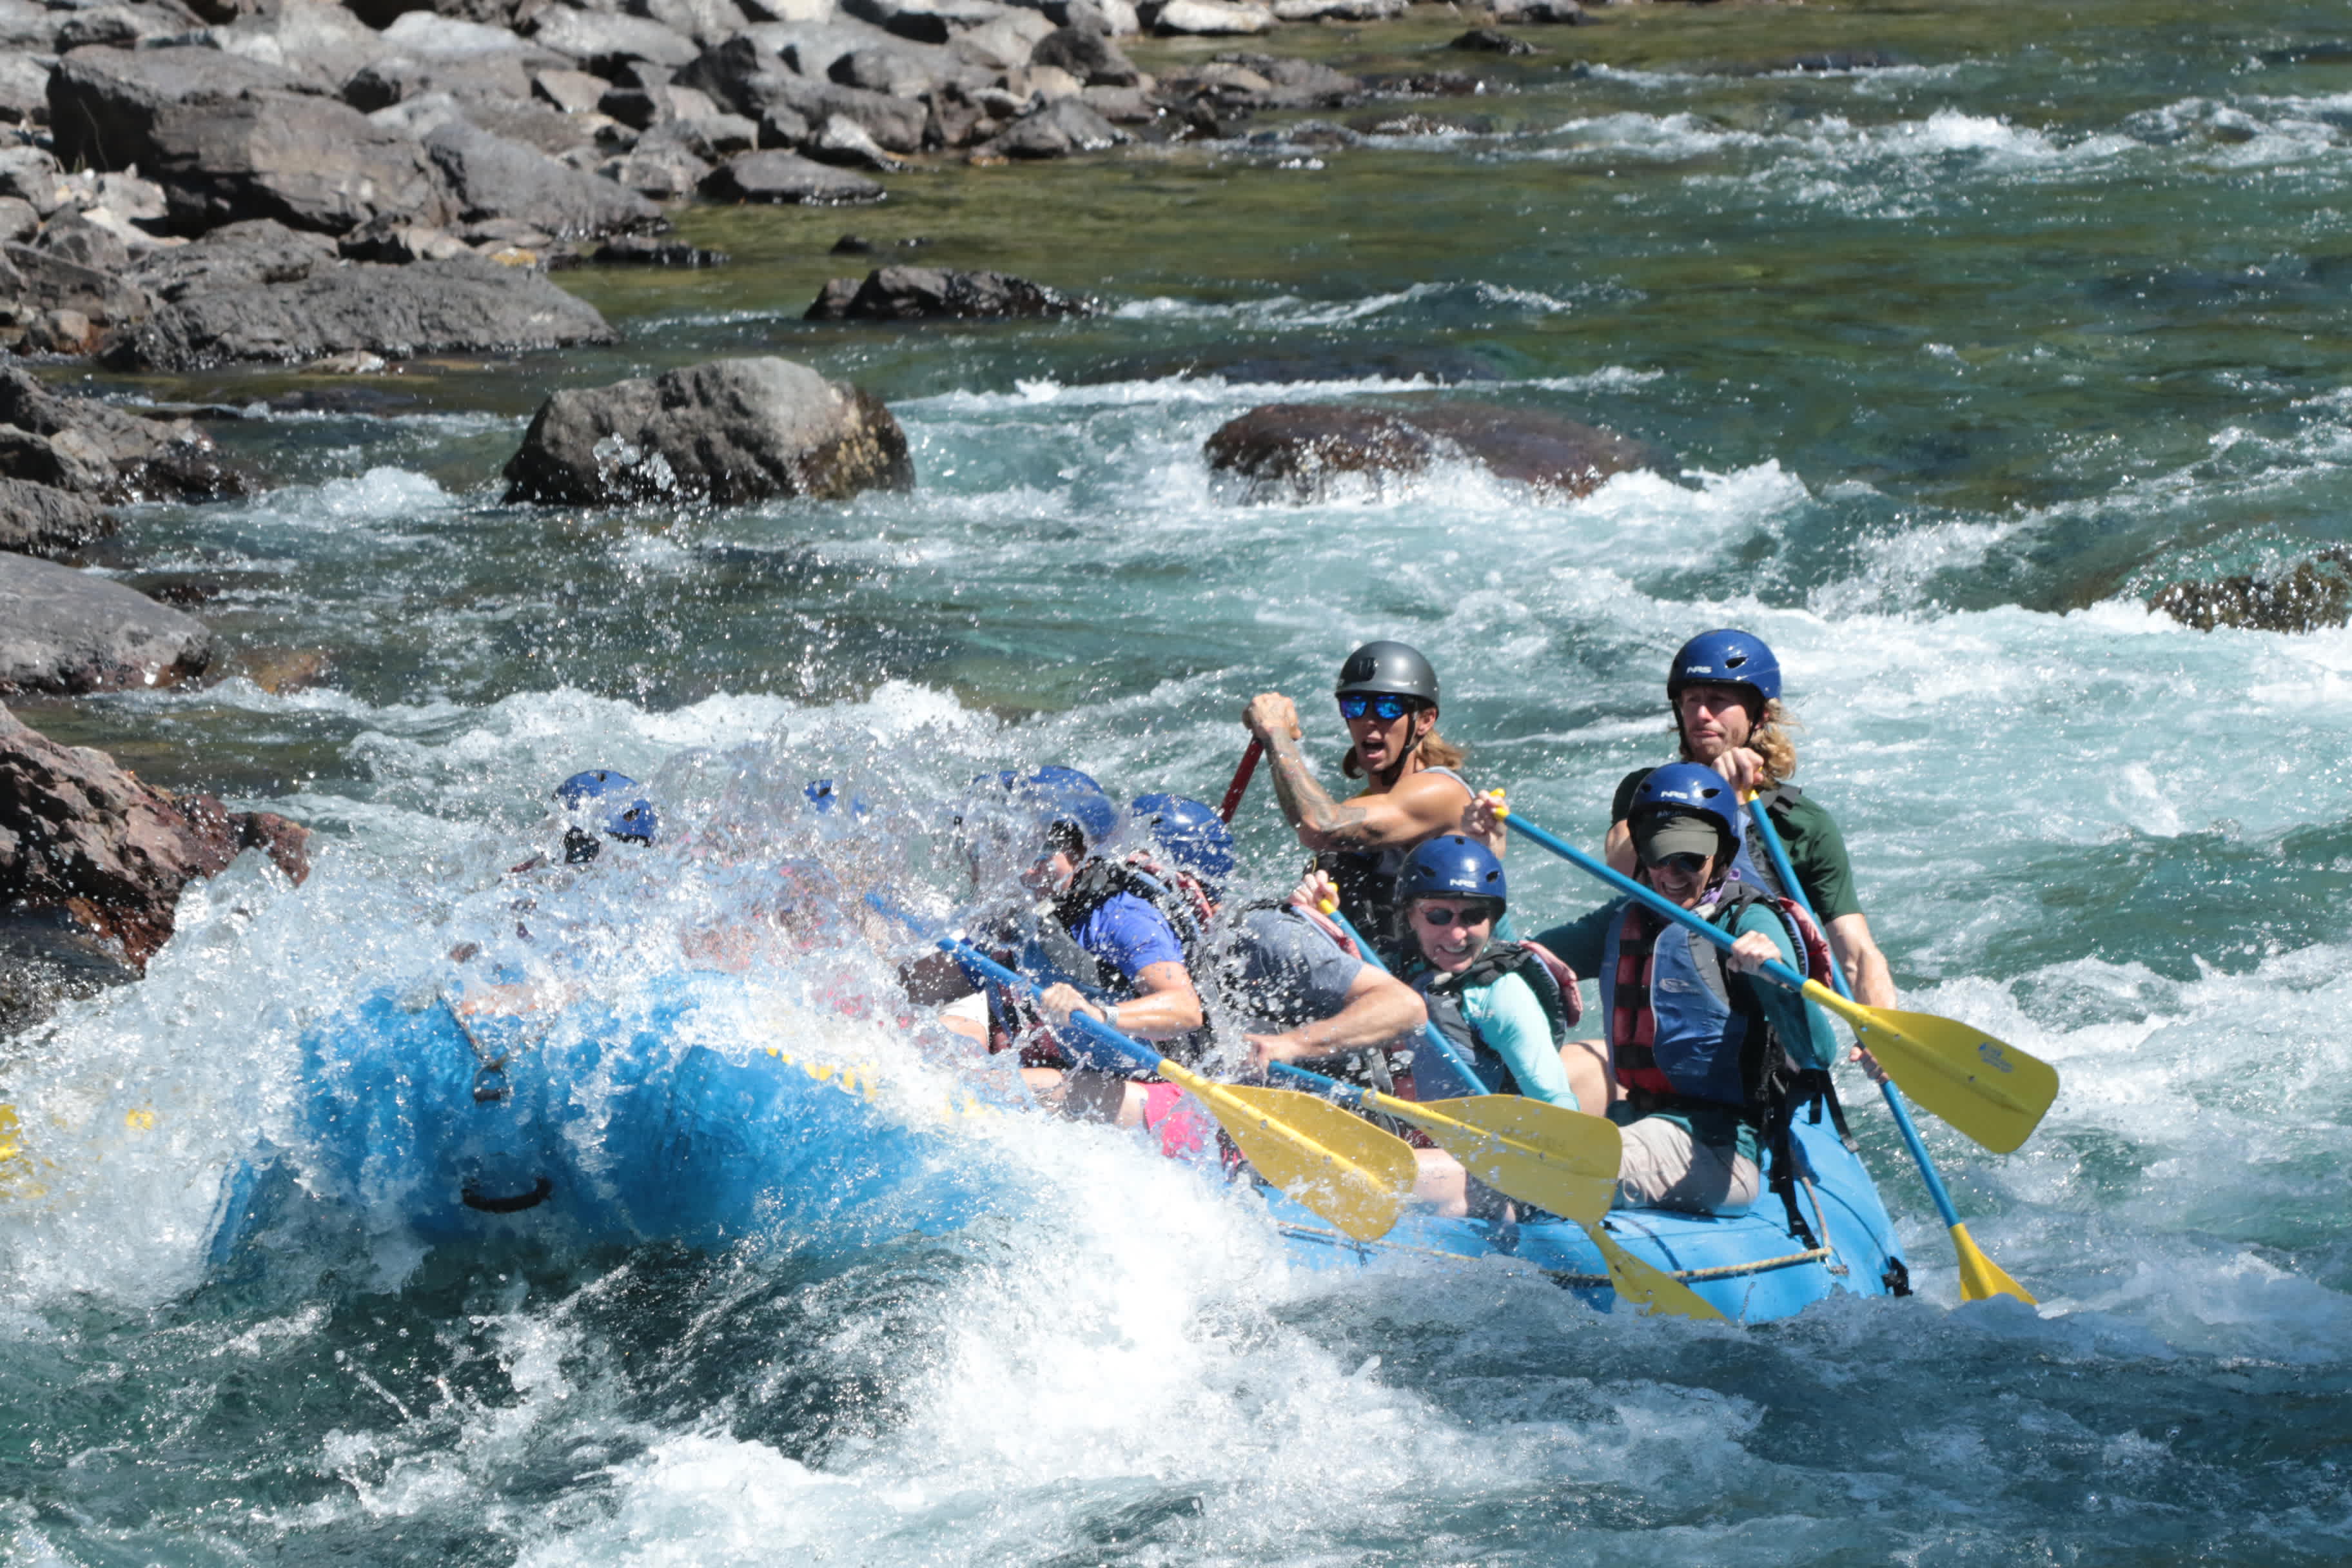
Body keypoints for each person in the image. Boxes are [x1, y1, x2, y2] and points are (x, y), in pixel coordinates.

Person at [1530, 764, 1836, 1216]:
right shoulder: (1626, 917)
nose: (1671, 874)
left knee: (1548, 1172)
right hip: (1637, 1119)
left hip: (1718, 1148)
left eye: (1690, 859)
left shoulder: (1747, 922)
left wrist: (1776, 979)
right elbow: (1525, 958)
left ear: (1724, 855)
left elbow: (1817, 1055)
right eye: (1659, 856)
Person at [1602, 628, 1897, 1017]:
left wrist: (1881, 1027)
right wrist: (1708, 802)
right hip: (1665, 1016)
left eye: (1719, 700)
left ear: (1759, 715)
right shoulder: (1646, 792)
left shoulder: (1802, 824)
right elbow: (1621, 863)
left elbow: (1857, 953)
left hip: (1757, 1029)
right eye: (1692, 700)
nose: (1703, 714)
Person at [1240, 640, 1496, 953]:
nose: (1369, 720)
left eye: (1389, 707)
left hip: (1439, 982)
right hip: (1381, 971)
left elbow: (1319, 825)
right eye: (1356, 706)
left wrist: (1276, 733)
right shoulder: (1369, 802)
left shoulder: (1442, 793)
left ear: (1425, 720)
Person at [1391, 835, 1605, 1117]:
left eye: (1474, 916)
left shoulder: (1503, 996)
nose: (1457, 935)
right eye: (1438, 916)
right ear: (1410, 916)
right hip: (1408, 1125)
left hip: (1474, 1145)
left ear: (1492, 920)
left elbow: (1556, 1106)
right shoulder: (1396, 966)